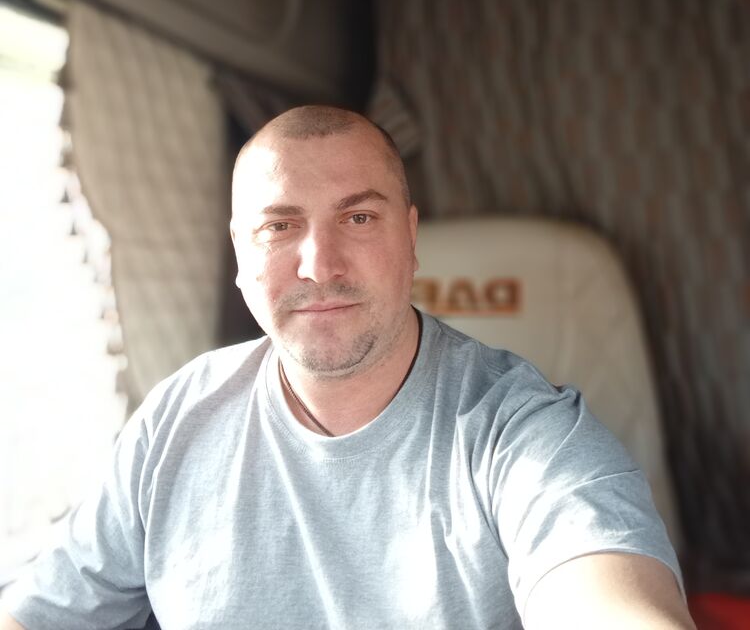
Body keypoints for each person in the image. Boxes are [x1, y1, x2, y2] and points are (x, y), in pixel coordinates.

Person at [1, 105, 696, 630]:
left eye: (358, 218)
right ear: (240, 256)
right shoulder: (174, 421)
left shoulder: (524, 436)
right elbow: (40, 614)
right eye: (279, 226)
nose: (319, 265)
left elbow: (606, 597)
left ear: (411, 239)